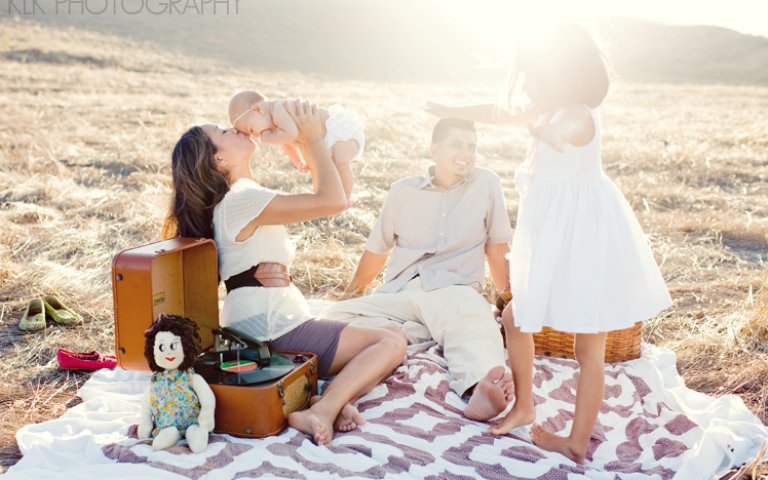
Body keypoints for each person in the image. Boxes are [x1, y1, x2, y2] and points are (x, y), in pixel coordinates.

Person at [427, 24, 672, 463]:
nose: (529, 85)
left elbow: (568, 129)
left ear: (564, 74)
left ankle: (576, 443)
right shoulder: (548, 108)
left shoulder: (577, 113)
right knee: (515, 317)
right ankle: (524, 405)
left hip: (584, 238)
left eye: (536, 75)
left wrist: (548, 133)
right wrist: (449, 107)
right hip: (554, 232)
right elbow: (500, 111)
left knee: (587, 346)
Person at [163, 100, 406, 446]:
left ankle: (332, 400)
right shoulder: (240, 199)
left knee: (390, 333)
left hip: (265, 324)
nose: (233, 127)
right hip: (271, 329)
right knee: (391, 342)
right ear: (220, 160)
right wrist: (311, 139)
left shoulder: (239, 198)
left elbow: (338, 197)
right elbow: (332, 202)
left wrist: (309, 143)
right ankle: (324, 409)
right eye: (222, 132)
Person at [322, 118, 515, 422]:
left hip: (453, 289)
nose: (466, 153)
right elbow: (378, 250)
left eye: (472, 147)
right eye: (457, 145)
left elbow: (497, 247)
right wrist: (352, 292)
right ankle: (419, 335)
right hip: (401, 292)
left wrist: (506, 296)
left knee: (474, 318)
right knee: (333, 318)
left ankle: (480, 385)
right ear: (434, 150)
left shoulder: (486, 183)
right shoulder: (402, 191)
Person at [228, 90, 363, 207]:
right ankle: (338, 196)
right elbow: (287, 144)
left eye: (252, 129)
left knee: (340, 162)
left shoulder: (278, 109)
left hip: (341, 131)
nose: (257, 136)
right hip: (327, 137)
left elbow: (291, 134)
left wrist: (268, 138)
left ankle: (346, 197)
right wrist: (298, 161)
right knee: (331, 166)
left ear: (257, 109)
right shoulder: (275, 124)